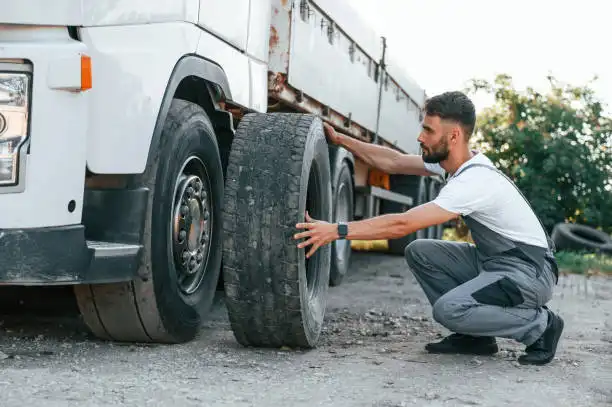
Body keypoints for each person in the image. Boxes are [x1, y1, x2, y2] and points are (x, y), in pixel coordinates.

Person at [294, 91, 563, 366]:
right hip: (497, 262)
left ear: (454, 136)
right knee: (420, 251)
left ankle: (540, 326)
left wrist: (336, 231)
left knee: (449, 310)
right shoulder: (456, 165)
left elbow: (403, 223)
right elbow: (394, 162)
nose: (420, 137)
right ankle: (474, 336)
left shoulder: (475, 181)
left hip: (529, 273)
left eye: (428, 130)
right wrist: (341, 140)